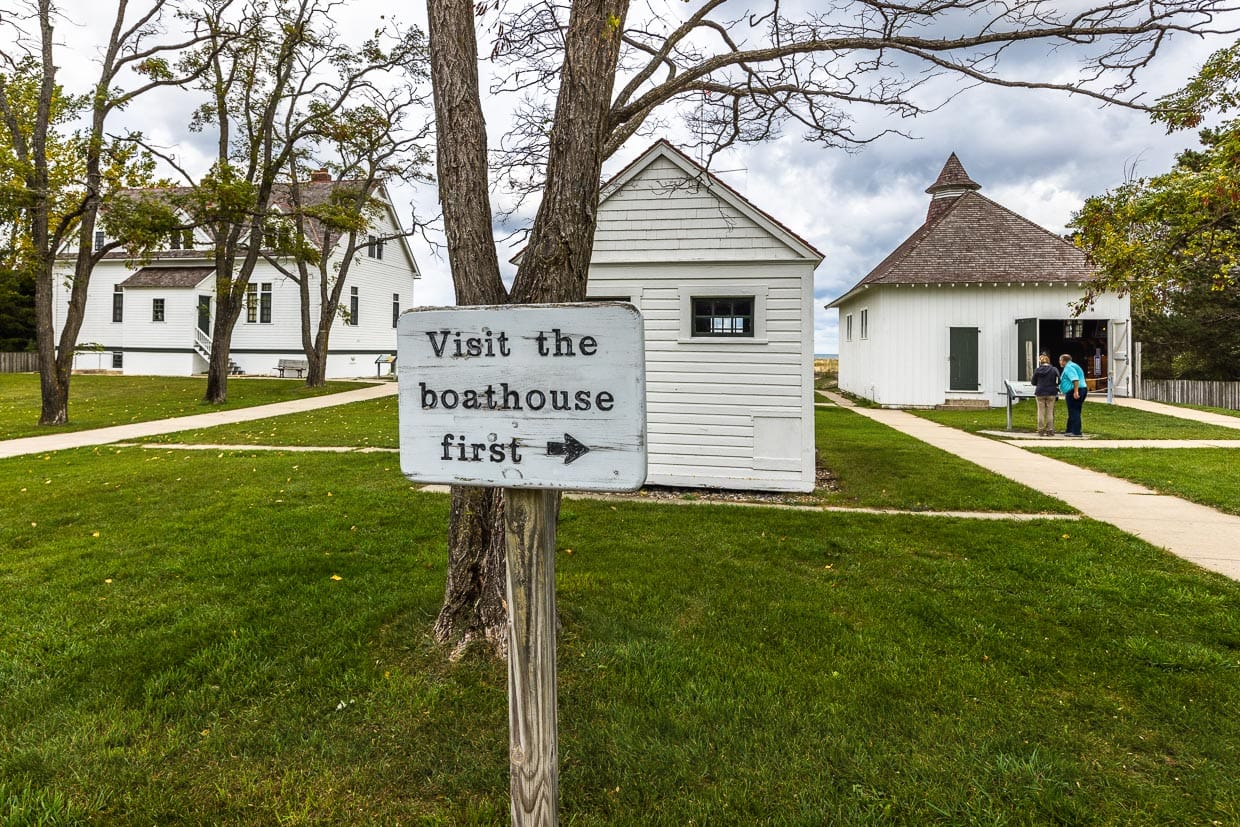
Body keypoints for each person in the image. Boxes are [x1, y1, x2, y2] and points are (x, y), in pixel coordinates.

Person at [1030, 354, 1060, 436]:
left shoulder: (1037, 370)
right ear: (1048, 361)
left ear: (1040, 362)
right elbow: (1059, 380)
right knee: (1050, 412)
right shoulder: (1054, 369)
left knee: (1040, 411)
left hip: (1040, 392)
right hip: (1051, 392)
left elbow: (1033, 382)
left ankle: (1040, 430)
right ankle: (1050, 430)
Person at [1058, 353, 1087, 436]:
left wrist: (1076, 391)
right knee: (1074, 410)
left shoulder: (1068, 367)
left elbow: (1075, 380)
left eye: (1060, 360)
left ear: (1063, 361)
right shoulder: (1074, 365)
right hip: (1081, 389)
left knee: (1074, 411)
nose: (1059, 362)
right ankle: (1069, 430)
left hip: (1074, 391)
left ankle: (1076, 431)